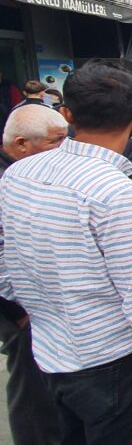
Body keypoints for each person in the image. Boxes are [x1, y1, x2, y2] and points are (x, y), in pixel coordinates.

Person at [0, 62, 132, 443]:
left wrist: (23, 308)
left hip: (49, 353)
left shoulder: (20, 174)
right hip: (112, 362)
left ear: (67, 114)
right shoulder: (119, 194)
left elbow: (6, 255)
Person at [0, 105, 66, 445]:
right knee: (32, 390)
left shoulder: (28, 170)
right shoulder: (8, 177)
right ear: (22, 143)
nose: (63, 148)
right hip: (20, 307)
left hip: (41, 302)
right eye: (56, 141)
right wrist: (18, 309)